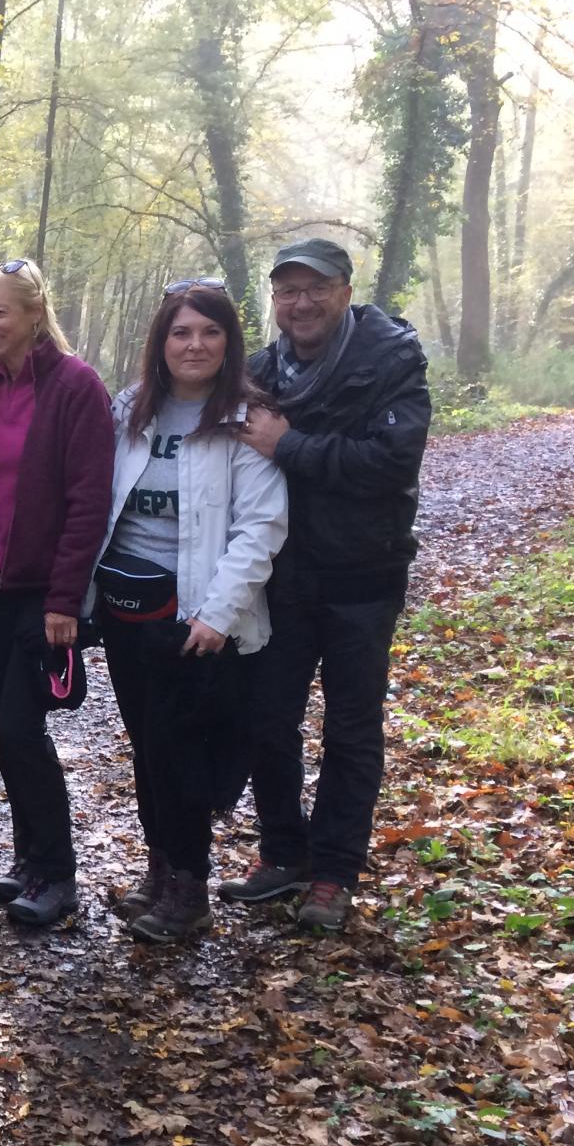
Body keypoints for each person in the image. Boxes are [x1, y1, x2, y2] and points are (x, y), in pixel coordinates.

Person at [226, 239, 431, 932]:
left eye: (316, 289)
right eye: (288, 291)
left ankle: (334, 872)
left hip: (363, 577)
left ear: (346, 292)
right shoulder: (257, 371)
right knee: (267, 720)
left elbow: (392, 461)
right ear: (274, 301)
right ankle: (283, 852)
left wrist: (289, 446)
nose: (301, 303)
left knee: (350, 728)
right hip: (283, 580)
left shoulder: (390, 359)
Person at [92, 280, 288, 941]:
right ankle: (160, 870)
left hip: (196, 619)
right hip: (127, 611)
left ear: (229, 342)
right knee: (148, 750)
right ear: (162, 342)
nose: (194, 344)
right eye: (181, 332)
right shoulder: (132, 410)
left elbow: (261, 526)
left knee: (184, 755)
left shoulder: (246, 419)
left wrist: (217, 613)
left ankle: (190, 888)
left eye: (209, 332)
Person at [0, 259, 114, 927]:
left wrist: (64, 599)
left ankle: (58, 875)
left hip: (40, 589)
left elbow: (89, 501)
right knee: (4, 730)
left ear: (33, 311)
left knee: (23, 727)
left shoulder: (76, 387)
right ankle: (30, 860)